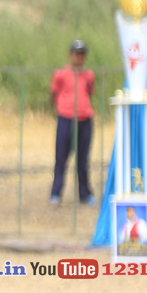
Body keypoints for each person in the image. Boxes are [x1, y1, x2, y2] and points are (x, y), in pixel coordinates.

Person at [49, 39, 96, 206]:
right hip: (66, 119)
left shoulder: (89, 75)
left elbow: (89, 92)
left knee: (83, 160)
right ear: (70, 55)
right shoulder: (60, 74)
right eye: (77, 54)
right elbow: (53, 94)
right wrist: (62, 109)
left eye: (82, 54)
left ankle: (84, 194)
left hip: (85, 120)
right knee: (61, 158)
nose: (79, 57)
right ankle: (56, 193)